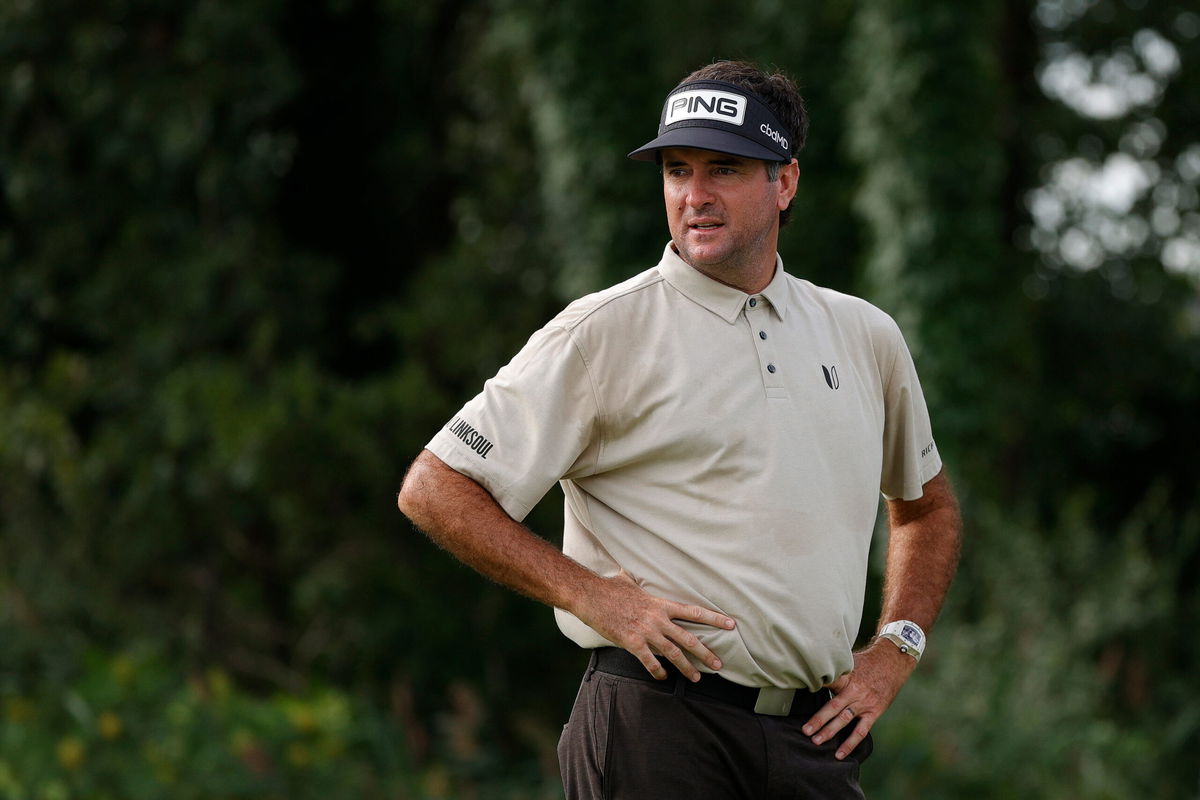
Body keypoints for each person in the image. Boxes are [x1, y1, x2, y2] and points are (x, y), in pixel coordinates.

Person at [397, 59, 962, 799]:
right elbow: (435, 486)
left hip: (813, 740)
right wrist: (590, 595)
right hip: (656, 725)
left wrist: (896, 647)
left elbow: (925, 507)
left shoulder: (864, 334)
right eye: (676, 170)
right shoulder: (602, 332)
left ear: (784, 182)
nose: (694, 196)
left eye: (723, 169)